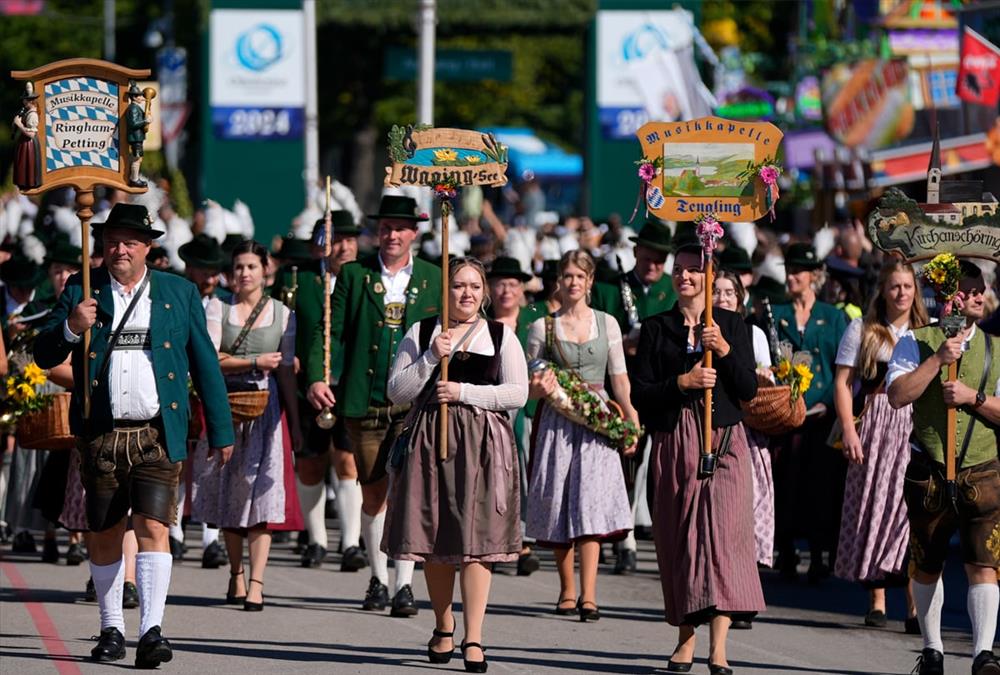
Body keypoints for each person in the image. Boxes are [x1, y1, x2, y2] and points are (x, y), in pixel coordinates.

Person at [33, 202, 234, 667]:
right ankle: (111, 628)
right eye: (111, 241)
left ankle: (151, 631)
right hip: (101, 435)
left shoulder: (178, 292)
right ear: (101, 245)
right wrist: (70, 326)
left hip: (157, 433)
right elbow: (43, 354)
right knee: (103, 533)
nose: (119, 249)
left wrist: (220, 430)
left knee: (153, 527)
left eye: (129, 241)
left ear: (148, 247)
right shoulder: (82, 288)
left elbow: (205, 364)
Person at [385, 257, 528, 672]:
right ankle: (443, 624)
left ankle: (475, 637)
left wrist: (464, 391)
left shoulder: (501, 335)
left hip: (485, 447)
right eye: (458, 286)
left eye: (474, 286)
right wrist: (430, 357)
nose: (466, 293)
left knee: (478, 544)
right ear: (444, 291)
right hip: (432, 443)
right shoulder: (423, 331)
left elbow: (517, 393)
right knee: (436, 537)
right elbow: (397, 391)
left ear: (484, 292)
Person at [306, 194, 441, 616]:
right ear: (376, 231)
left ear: (414, 233)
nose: (392, 234)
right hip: (366, 403)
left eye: (400, 228)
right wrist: (316, 375)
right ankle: (378, 577)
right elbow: (330, 333)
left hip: (417, 404)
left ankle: (403, 585)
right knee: (375, 492)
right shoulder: (354, 275)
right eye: (385, 227)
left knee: (410, 494)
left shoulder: (435, 278)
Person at [633, 243, 763, 675]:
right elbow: (643, 395)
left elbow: (747, 390)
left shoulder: (731, 324)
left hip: (724, 439)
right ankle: (685, 636)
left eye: (694, 270)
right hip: (676, 439)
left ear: (711, 278)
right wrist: (682, 381)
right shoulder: (656, 328)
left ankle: (719, 646)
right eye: (679, 270)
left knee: (726, 540)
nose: (685, 277)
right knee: (682, 539)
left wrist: (723, 350)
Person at [886, 260, 1000, 675]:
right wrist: (937, 359)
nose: (977, 296)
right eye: (968, 290)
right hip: (929, 468)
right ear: (950, 295)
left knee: (983, 562)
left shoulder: (996, 347)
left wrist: (973, 397)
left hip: (982, 469)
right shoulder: (915, 341)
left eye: (980, 288)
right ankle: (932, 649)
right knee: (927, 560)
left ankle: (982, 654)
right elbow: (897, 395)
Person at [525, 250, 638, 621]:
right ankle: (566, 589)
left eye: (580, 276)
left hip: (598, 417)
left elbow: (618, 378)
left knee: (590, 502)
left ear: (590, 282)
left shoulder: (607, 325)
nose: (573, 282)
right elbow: (530, 381)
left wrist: (631, 416)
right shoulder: (542, 327)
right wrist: (540, 387)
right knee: (560, 499)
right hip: (559, 420)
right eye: (567, 275)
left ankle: (589, 593)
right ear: (559, 280)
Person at [193, 240, 300, 612]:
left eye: (252, 266)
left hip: (266, 410)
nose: (244, 273)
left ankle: (256, 582)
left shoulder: (283, 313)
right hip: (226, 405)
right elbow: (209, 359)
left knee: (262, 498)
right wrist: (253, 361)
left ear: (265, 270)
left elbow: (284, 370)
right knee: (230, 492)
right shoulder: (217, 307)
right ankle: (236, 572)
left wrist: (296, 425)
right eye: (239, 267)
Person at [833, 261, 927, 633]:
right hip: (874, 421)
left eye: (907, 286)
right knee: (874, 505)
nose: (901, 293)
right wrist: (848, 429)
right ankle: (877, 599)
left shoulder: (926, 332)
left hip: (914, 426)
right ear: (883, 291)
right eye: (894, 287)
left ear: (915, 291)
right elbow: (843, 382)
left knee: (910, 512)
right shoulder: (864, 329)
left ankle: (913, 605)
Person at [280, 212, 366, 571]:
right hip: (309, 384)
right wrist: (292, 355)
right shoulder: (302, 281)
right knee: (311, 462)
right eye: (336, 238)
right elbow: (284, 321)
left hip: (350, 381)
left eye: (350, 239)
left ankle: (350, 543)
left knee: (348, 461)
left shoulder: (364, 279)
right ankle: (315, 538)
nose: (344, 246)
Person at [589, 217, 675, 575]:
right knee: (620, 463)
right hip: (618, 385)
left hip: (660, 388)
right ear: (636, 252)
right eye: (647, 257)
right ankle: (618, 537)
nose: (653, 265)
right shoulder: (611, 290)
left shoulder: (673, 289)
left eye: (659, 259)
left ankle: (640, 530)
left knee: (651, 467)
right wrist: (623, 343)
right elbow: (594, 335)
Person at [770, 243, 847, 582]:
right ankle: (785, 548)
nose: (791, 276)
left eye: (797, 271)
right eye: (788, 269)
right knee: (783, 481)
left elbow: (844, 368)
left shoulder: (833, 317)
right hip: (784, 413)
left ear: (813, 276)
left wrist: (826, 402)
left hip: (821, 415)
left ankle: (820, 553)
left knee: (821, 484)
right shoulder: (776, 312)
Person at [713, 269, 774, 632]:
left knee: (746, 518)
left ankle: (743, 596)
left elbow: (762, 379)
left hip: (748, 433)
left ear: (740, 298)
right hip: (714, 428)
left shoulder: (752, 334)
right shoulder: (701, 330)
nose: (722, 298)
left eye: (728, 293)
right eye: (716, 292)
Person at [486, 255, 545, 576]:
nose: (506, 290)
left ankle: (522, 540)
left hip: (528, 408)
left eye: (512, 284)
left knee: (524, 471)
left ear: (522, 289)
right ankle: (498, 541)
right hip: (490, 407)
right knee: (493, 476)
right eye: (500, 284)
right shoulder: (481, 321)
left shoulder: (536, 321)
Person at [178, 233, 230, 569]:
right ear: (190, 268)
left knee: (211, 460)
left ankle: (212, 537)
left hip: (212, 386)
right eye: (203, 270)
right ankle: (174, 530)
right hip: (180, 385)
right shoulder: (177, 296)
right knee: (179, 460)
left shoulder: (225, 302)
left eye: (214, 271)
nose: (210, 278)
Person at [12, 82, 41, 191]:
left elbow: (31, 134)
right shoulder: (27, 112)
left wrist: (19, 125)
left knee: (27, 165)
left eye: (25, 99)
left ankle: (28, 182)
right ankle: (24, 183)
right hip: (25, 144)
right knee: (22, 164)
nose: (23, 102)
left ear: (30, 101)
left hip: (29, 144)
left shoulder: (32, 115)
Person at [124, 81, 150, 188]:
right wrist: (146, 121)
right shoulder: (133, 108)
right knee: (137, 158)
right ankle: (134, 179)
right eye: (139, 95)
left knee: (137, 157)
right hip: (135, 138)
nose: (141, 97)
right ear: (134, 97)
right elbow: (133, 123)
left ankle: (134, 178)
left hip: (137, 137)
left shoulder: (135, 107)